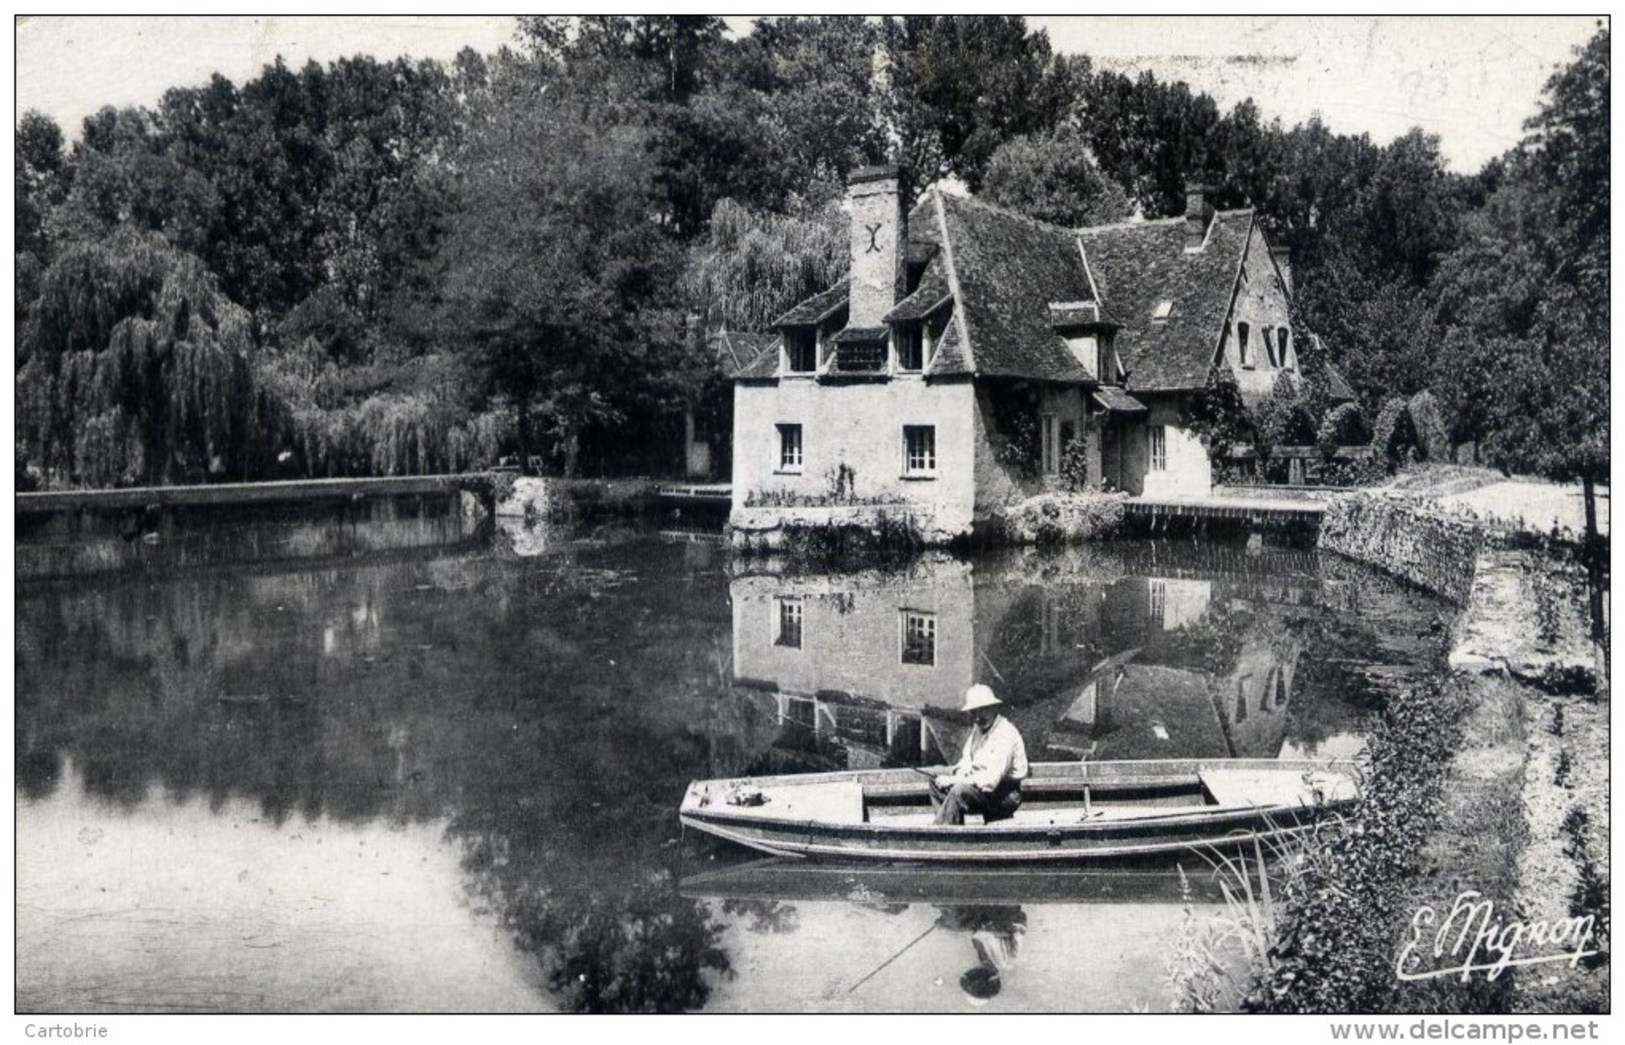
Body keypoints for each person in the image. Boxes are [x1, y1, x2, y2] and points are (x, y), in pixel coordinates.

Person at [930, 684, 1028, 825]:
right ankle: (948, 825)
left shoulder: (1006, 734)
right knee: (935, 776)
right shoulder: (979, 728)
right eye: (974, 712)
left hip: (1004, 796)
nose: (977, 717)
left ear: (994, 708)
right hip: (981, 788)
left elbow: (989, 781)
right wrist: (957, 773)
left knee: (958, 792)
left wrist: (953, 780)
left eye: (982, 710)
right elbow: (966, 761)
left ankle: (944, 833)